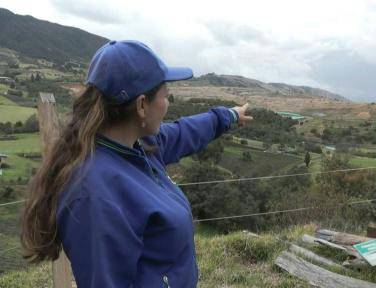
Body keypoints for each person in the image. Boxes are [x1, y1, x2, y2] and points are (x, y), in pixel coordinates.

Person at [21, 40, 253, 287]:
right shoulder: (94, 195)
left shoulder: (138, 146)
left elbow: (183, 132)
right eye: (166, 96)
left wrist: (228, 116)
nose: (168, 104)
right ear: (142, 105)